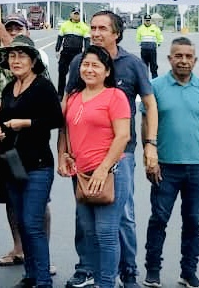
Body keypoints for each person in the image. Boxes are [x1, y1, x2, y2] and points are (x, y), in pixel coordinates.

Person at [62, 11, 157, 288]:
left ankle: (127, 273)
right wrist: (63, 150)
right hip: (83, 157)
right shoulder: (79, 62)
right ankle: (87, 269)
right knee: (85, 219)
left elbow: (149, 105)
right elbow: (67, 107)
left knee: (121, 217)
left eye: (102, 28)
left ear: (116, 33)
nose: (95, 33)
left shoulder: (133, 64)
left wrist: (150, 144)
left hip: (119, 154)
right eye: (92, 27)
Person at [143, 38, 199, 288]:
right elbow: (146, 122)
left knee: (193, 221)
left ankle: (188, 272)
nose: (183, 60)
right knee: (159, 219)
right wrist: (149, 156)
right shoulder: (155, 87)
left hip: (197, 167)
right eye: (178, 56)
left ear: (195, 60)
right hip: (165, 166)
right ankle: (153, 271)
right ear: (169, 59)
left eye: (188, 56)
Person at [0, 3, 53, 270]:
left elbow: (52, 114)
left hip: (33, 146)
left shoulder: (40, 62)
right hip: (3, 143)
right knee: (12, 197)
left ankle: (41, 258)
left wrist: (21, 117)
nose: (12, 33)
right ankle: (20, 250)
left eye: (18, 29)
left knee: (37, 204)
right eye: (9, 29)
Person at [57, 46, 131, 288]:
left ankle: (107, 283)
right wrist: (63, 155)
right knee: (89, 233)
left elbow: (123, 136)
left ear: (107, 71)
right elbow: (64, 128)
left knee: (106, 233)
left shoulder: (115, 96)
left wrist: (103, 168)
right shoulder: (74, 97)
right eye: (85, 64)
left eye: (96, 65)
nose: (89, 69)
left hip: (110, 174)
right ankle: (97, 279)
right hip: (81, 175)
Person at [0, 35, 62, 288]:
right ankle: (30, 275)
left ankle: (43, 280)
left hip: (38, 165)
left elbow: (56, 119)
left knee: (33, 224)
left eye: (22, 55)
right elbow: (3, 120)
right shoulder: (9, 88)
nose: (16, 60)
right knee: (22, 223)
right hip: (13, 164)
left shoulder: (43, 87)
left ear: (33, 61)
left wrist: (27, 123)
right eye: (12, 56)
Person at [56, 9, 91, 85]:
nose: (76, 15)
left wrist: (86, 53)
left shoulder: (84, 27)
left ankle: (75, 90)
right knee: (62, 72)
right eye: (74, 14)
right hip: (65, 53)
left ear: (80, 15)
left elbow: (87, 41)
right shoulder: (65, 25)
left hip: (77, 53)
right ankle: (60, 91)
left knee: (77, 74)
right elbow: (60, 38)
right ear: (71, 14)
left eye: (77, 14)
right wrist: (57, 50)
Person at [134, 15, 163, 79]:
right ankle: (145, 81)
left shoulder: (155, 28)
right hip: (144, 50)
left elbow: (160, 37)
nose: (147, 22)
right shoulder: (140, 28)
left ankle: (155, 80)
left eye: (148, 20)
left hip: (152, 50)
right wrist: (140, 43)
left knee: (153, 66)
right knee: (144, 66)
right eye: (146, 20)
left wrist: (158, 43)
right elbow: (138, 38)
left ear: (150, 20)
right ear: (144, 20)